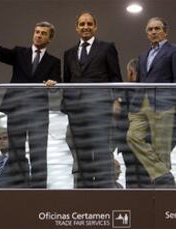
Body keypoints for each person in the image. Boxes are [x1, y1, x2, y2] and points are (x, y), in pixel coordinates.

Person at [0, 21, 61, 188]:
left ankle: (38, 193)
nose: (39, 35)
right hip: (17, 109)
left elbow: (57, 81)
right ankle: (19, 189)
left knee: (38, 153)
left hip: (38, 112)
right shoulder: (20, 52)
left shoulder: (54, 61)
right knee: (16, 151)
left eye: (43, 33)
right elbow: (5, 55)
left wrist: (53, 82)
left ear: (50, 38)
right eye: (37, 31)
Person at [62, 12, 122, 188]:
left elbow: (115, 77)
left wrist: (117, 101)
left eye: (89, 24)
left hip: (100, 108)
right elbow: (67, 81)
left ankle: (105, 195)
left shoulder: (106, 47)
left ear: (95, 27)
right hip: (76, 111)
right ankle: (86, 198)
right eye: (82, 24)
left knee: (102, 152)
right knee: (82, 155)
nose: (85, 27)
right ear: (76, 28)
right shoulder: (69, 53)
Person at [127, 17, 176, 188]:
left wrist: (173, 103)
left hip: (163, 103)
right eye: (150, 29)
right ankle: (163, 174)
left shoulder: (175, 50)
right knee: (132, 137)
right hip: (141, 103)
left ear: (165, 31)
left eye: (157, 28)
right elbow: (139, 81)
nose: (153, 31)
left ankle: (165, 193)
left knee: (161, 148)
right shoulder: (143, 55)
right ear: (147, 34)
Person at [113, 58, 151, 188]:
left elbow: (118, 116)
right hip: (146, 142)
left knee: (132, 174)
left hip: (127, 142)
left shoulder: (125, 91)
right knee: (146, 175)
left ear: (130, 72)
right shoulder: (149, 90)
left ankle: (133, 205)